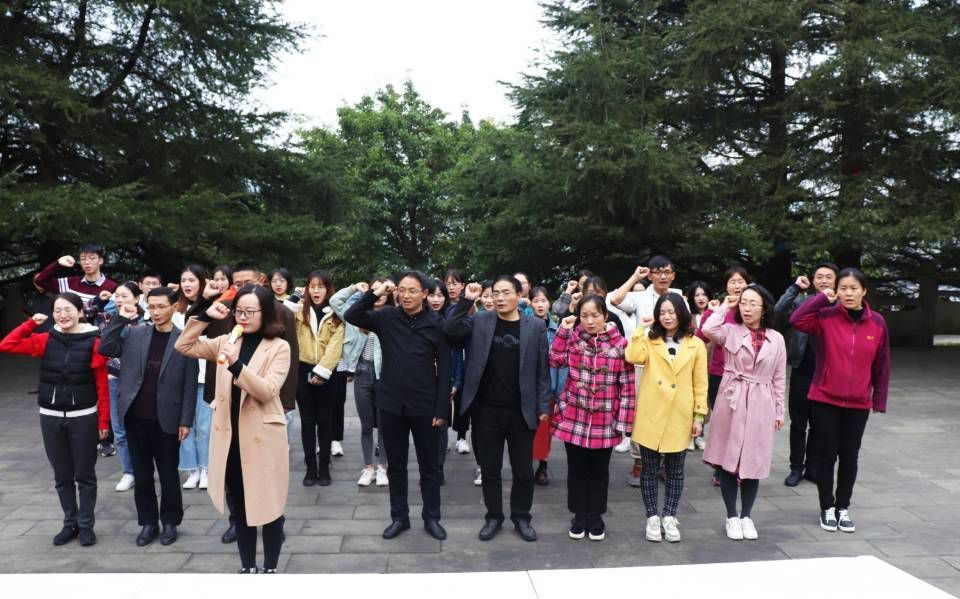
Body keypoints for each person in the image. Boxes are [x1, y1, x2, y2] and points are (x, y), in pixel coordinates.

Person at [175, 284, 291, 573]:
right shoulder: (227, 340)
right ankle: (247, 567)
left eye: (250, 311)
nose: (243, 317)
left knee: (270, 508)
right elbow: (184, 346)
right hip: (231, 437)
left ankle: (271, 568)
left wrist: (237, 365)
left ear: (266, 312)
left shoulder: (279, 347)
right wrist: (204, 316)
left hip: (263, 438)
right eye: (239, 311)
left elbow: (267, 391)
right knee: (240, 508)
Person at [345, 272, 452, 541]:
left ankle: (432, 517)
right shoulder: (386, 317)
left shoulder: (436, 323)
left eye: (412, 291)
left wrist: (442, 410)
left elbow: (445, 370)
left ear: (424, 294)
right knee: (396, 465)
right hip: (391, 403)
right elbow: (352, 314)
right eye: (401, 290)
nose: (405, 295)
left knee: (429, 467)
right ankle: (399, 517)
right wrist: (377, 291)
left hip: (425, 405)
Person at [444, 277, 550, 542]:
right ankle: (493, 517)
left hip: (521, 411)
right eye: (495, 293)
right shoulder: (480, 320)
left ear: (519, 295)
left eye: (506, 293)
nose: (500, 298)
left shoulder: (535, 326)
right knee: (490, 470)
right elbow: (450, 329)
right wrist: (467, 300)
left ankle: (521, 517)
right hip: (486, 411)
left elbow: (542, 370)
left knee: (523, 471)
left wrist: (543, 406)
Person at [0, 293, 110, 547]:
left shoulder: (94, 342)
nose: (63, 315)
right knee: (62, 476)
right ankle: (69, 523)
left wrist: (103, 422)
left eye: (68, 309)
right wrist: (30, 324)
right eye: (58, 310)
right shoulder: (46, 339)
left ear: (80, 312)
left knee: (85, 475)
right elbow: (7, 345)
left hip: (84, 417)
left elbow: (102, 387)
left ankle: (86, 525)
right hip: (50, 417)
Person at [790, 268, 889, 534]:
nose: (848, 293)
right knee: (826, 456)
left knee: (849, 456)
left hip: (858, 402)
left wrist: (879, 397)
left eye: (854, 288)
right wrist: (823, 298)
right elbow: (797, 320)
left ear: (864, 291)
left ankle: (842, 507)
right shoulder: (826, 316)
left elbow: (882, 362)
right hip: (825, 398)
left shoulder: (877, 322)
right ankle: (827, 507)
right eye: (843, 288)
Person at [99, 287, 197, 546]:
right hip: (135, 416)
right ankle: (148, 523)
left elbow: (189, 385)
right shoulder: (135, 333)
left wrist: (186, 420)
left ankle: (170, 522)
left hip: (167, 418)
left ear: (174, 307)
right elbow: (106, 347)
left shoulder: (184, 340)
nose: (156, 312)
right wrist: (121, 317)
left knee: (168, 475)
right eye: (151, 307)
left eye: (161, 306)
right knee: (142, 476)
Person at [701, 285, 786, 541]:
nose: (747, 308)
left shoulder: (777, 339)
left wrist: (779, 410)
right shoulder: (730, 331)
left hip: (762, 401)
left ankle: (746, 515)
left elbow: (779, 377)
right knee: (729, 458)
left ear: (764, 308)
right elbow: (707, 329)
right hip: (732, 399)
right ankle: (731, 516)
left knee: (754, 459)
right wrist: (725, 306)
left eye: (753, 303)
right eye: (743, 302)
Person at [550, 295, 635, 542]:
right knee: (576, 471)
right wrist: (563, 330)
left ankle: (596, 517)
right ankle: (578, 516)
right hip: (574, 417)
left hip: (605, 420)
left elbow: (627, 386)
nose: (589, 321)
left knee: (599, 472)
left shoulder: (621, 345)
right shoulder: (573, 339)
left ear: (605, 316)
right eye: (584, 316)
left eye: (595, 315)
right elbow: (554, 359)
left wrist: (624, 422)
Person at [625, 293, 708, 543]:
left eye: (671, 312)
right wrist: (641, 328)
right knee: (649, 470)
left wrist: (699, 415)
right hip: (651, 413)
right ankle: (652, 517)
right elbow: (632, 356)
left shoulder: (696, 344)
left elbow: (700, 382)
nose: (667, 317)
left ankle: (669, 516)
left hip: (680, 415)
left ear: (681, 313)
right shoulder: (650, 340)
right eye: (662, 312)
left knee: (675, 472)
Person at [609, 257, 683, 480]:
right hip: (642, 363)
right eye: (657, 272)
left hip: (671, 363)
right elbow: (615, 299)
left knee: (668, 411)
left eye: (667, 272)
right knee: (640, 413)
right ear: (650, 275)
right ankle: (639, 460)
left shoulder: (679, 297)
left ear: (673, 275)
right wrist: (635, 277)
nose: (663, 276)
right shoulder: (639, 297)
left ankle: (664, 461)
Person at [775, 262, 839, 487]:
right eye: (819, 276)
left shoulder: (841, 306)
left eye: (828, 277)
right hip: (802, 369)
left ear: (836, 281)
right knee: (799, 423)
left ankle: (812, 467)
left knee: (820, 423)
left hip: (827, 373)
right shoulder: (803, 302)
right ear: (812, 280)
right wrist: (794, 288)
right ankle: (796, 468)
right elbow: (778, 310)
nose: (823, 280)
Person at [330, 279, 392, 487]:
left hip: (385, 375)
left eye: (384, 289)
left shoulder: (393, 316)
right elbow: (335, 301)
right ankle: (368, 467)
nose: (379, 293)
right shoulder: (357, 316)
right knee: (366, 425)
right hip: (362, 373)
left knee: (384, 425)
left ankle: (382, 467)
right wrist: (354, 288)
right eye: (376, 289)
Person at [285, 270, 344, 487]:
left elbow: (336, 346)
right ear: (307, 288)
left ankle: (325, 467)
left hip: (328, 374)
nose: (316, 290)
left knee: (325, 421)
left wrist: (322, 372)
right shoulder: (300, 311)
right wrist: (295, 297)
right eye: (312, 286)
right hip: (302, 371)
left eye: (321, 286)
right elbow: (282, 317)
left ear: (328, 289)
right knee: (308, 422)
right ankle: (310, 468)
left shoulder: (336, 314)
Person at [89, 282, 146, 491]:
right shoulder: (108, 319)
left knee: (142, 428)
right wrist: (105, 306)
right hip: (115, 380)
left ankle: (144, 470)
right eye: (117, 296)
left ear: (137, 298)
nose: (120, 300)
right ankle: (128, 472)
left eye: (125, 296)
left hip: (141, 381)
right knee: (120, 430)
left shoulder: (147, 321)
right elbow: (103, 344)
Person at [697, 265, 751, 486]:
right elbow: (701, 337)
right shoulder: (719, 309)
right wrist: (716, 311)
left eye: (741, 281)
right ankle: (719, 467)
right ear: (726, 286)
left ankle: (738, 466)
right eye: (732, 282)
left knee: (742, 424)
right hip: (720, 373)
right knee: (722, 423)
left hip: (747, 375)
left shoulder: (753, 308)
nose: (737, 285)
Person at [171, 265, 212, 490]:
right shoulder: (176, 309)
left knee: (205, 426)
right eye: (184, 280)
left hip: (205, 374)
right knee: (185, 425)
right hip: (181, 375)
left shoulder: (212, 307)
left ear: (203, 281)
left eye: (192, 280)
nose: (187, 284)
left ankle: (206, 468)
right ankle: (190, 469)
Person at [529, 286, 567, 486]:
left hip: (548, 386)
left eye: (543, 300)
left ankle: (542, 466)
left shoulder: (557, 329)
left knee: (544, 430)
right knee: (526, 428)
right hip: (528, 386)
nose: (540, 304)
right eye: (535, 301)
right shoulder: (524, 325)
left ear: (549, 302)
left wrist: (560, 393)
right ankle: (525, 465)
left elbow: (562, 363)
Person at [426, 278, 463, 483]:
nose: (436, 299)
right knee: (425, 426)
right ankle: (428, 467)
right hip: (423, 382)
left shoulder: (450, 320)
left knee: (441, 425)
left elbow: (457, 354)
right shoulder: (420, 318)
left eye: (440, 295)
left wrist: (456, 382)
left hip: (445, 380)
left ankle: (438, 467)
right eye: (432, 295)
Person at [33, 244, 118, 308]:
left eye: (92, 258)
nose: (87, 262)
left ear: (100, 261)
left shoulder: (112, 287)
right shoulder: (68, 283)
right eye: (83, 259)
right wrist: (58, 263)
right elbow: (40, 280)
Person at [685, 280, 714, 451]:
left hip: (710, 363)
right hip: (691, 363)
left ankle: (700, 434)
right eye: (697, 295)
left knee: (705, 399)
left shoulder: (716, 314)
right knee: (690, 397)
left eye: (704, 294)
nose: (701, 298)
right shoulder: (687, 317)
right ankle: (688, 435)